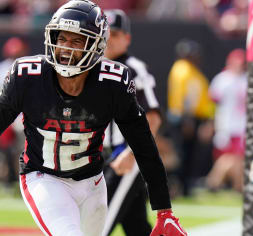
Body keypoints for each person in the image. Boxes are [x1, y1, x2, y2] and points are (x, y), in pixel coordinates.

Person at [0, 1, 187, 236]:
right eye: (62, 38)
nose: (66, 48)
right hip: (44, 177)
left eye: (78, 40)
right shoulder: (28, 77)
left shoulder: (113, 83)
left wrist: (164, 211)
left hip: (92, 182)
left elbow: (143, 144)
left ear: (97, 46)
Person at [102, 9, 161, 236]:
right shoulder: (95, 66)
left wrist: (131, 153)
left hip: (124, 154)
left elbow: (153, 117)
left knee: (97, 223)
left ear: (127, 38)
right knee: (136, 225)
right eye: (105, 34)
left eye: (115, 34)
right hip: (102, 155)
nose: (109, 39)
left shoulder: (134, 69)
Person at [167, 39, 215, 196]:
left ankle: (185, 185)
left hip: (193, 117)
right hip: (184, 118)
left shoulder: (193, 71)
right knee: (183, 153)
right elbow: (184, 96)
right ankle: (179, 186)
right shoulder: (182, 69)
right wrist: (186, 119)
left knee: (189, 153)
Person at [0, 37, 29, 193]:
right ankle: (4, 182)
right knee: (3, 152)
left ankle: (22, 181)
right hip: (5, 114)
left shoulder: (28, 67)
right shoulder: (1, 69)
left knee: (22, 151)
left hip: (21, 116)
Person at [205, 48, 247, 192]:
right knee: (228, 157)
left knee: (239, 158)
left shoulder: (246, 79)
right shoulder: (222, 79)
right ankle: (214, 182)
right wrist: (211, 123)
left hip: (241, 125)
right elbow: (212, 103)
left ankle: (236, 185)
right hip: (227, 124)